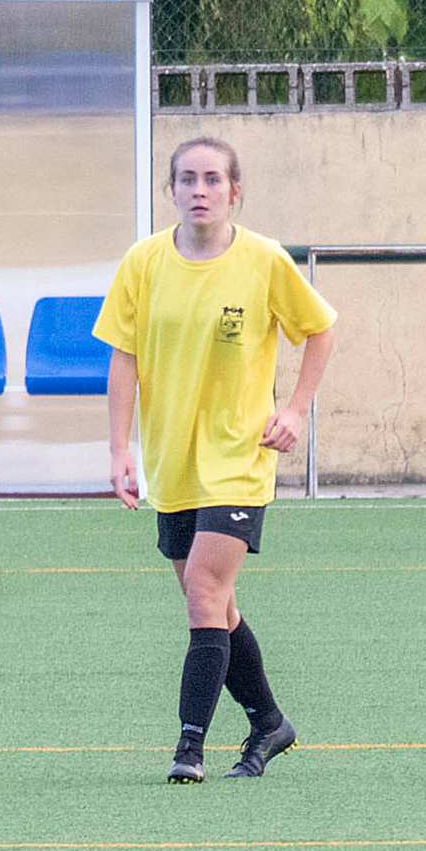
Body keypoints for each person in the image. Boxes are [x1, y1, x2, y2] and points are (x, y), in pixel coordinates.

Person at [97, 136, 336, 784]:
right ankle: (268, 721)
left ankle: (189, 749)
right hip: (173, 460)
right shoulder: (143, 263)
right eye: (187, 179)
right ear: (171, 190)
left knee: (204, 593)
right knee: (218, 606)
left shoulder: (262, 262)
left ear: (235, 192)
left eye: (212, 179)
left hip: (240, 457)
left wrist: (294, 411)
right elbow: (124, 357)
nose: (198, 190)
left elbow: (319, 329)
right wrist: (120, 449)